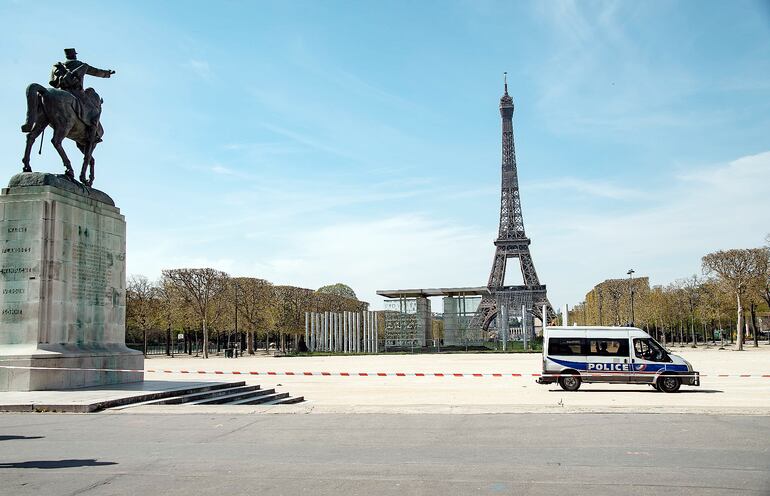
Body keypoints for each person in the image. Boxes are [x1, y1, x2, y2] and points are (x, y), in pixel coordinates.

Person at [22, 48, 115, 133]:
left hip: (60, 90)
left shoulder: (57, 66)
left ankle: (31, 121)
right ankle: (92, 134)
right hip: (77, 93)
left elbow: (53, 82)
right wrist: (107, 73)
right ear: (75, 55)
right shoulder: (81, 65)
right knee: (94, 111)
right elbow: (96, 71)